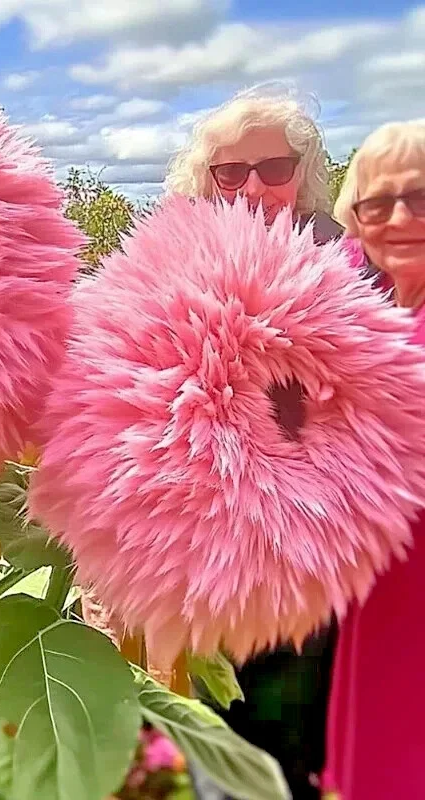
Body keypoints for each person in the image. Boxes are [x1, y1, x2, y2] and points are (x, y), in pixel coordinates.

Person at [163, 85, 345, 800]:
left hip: (319, 537)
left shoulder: (346, 260)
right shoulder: (174, 264)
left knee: (303, 720)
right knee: (225, 717)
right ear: (204, 180)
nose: (252, 188)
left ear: (304, 173)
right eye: (230, 172)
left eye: (274, 168)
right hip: (210, 534)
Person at [322, 121, 425, 800]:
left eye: (421, 198)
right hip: (384, 581)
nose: (400, 218)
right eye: (377, 203)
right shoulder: (377, 314)